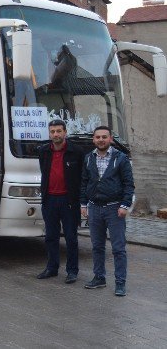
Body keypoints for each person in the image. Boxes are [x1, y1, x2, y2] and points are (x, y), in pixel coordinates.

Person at [80, 126, 135, 296]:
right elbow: (84, 182)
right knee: (97, 246)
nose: (101, 140)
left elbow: (129, 184)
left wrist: (124, 205)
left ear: (110, 139)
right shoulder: (89, 158)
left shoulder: (121, 158)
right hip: (95, 208)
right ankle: (99, 278)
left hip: (115, 209)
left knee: (118, 248)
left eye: (104, 137)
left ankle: (120, 283)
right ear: (93, 140)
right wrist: (83, 204)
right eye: (98, 137)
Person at [36, 119, 84, 283]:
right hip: (49, 199)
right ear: (49, 134)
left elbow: (81, 178)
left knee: (71, 237)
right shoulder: (44, 151)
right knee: (50, 237)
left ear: (65, 132)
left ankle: (72, 271)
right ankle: (52, 268)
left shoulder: (76, 152)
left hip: (68, 201)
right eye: (52, 131)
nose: (55, 134)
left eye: (58, 131)